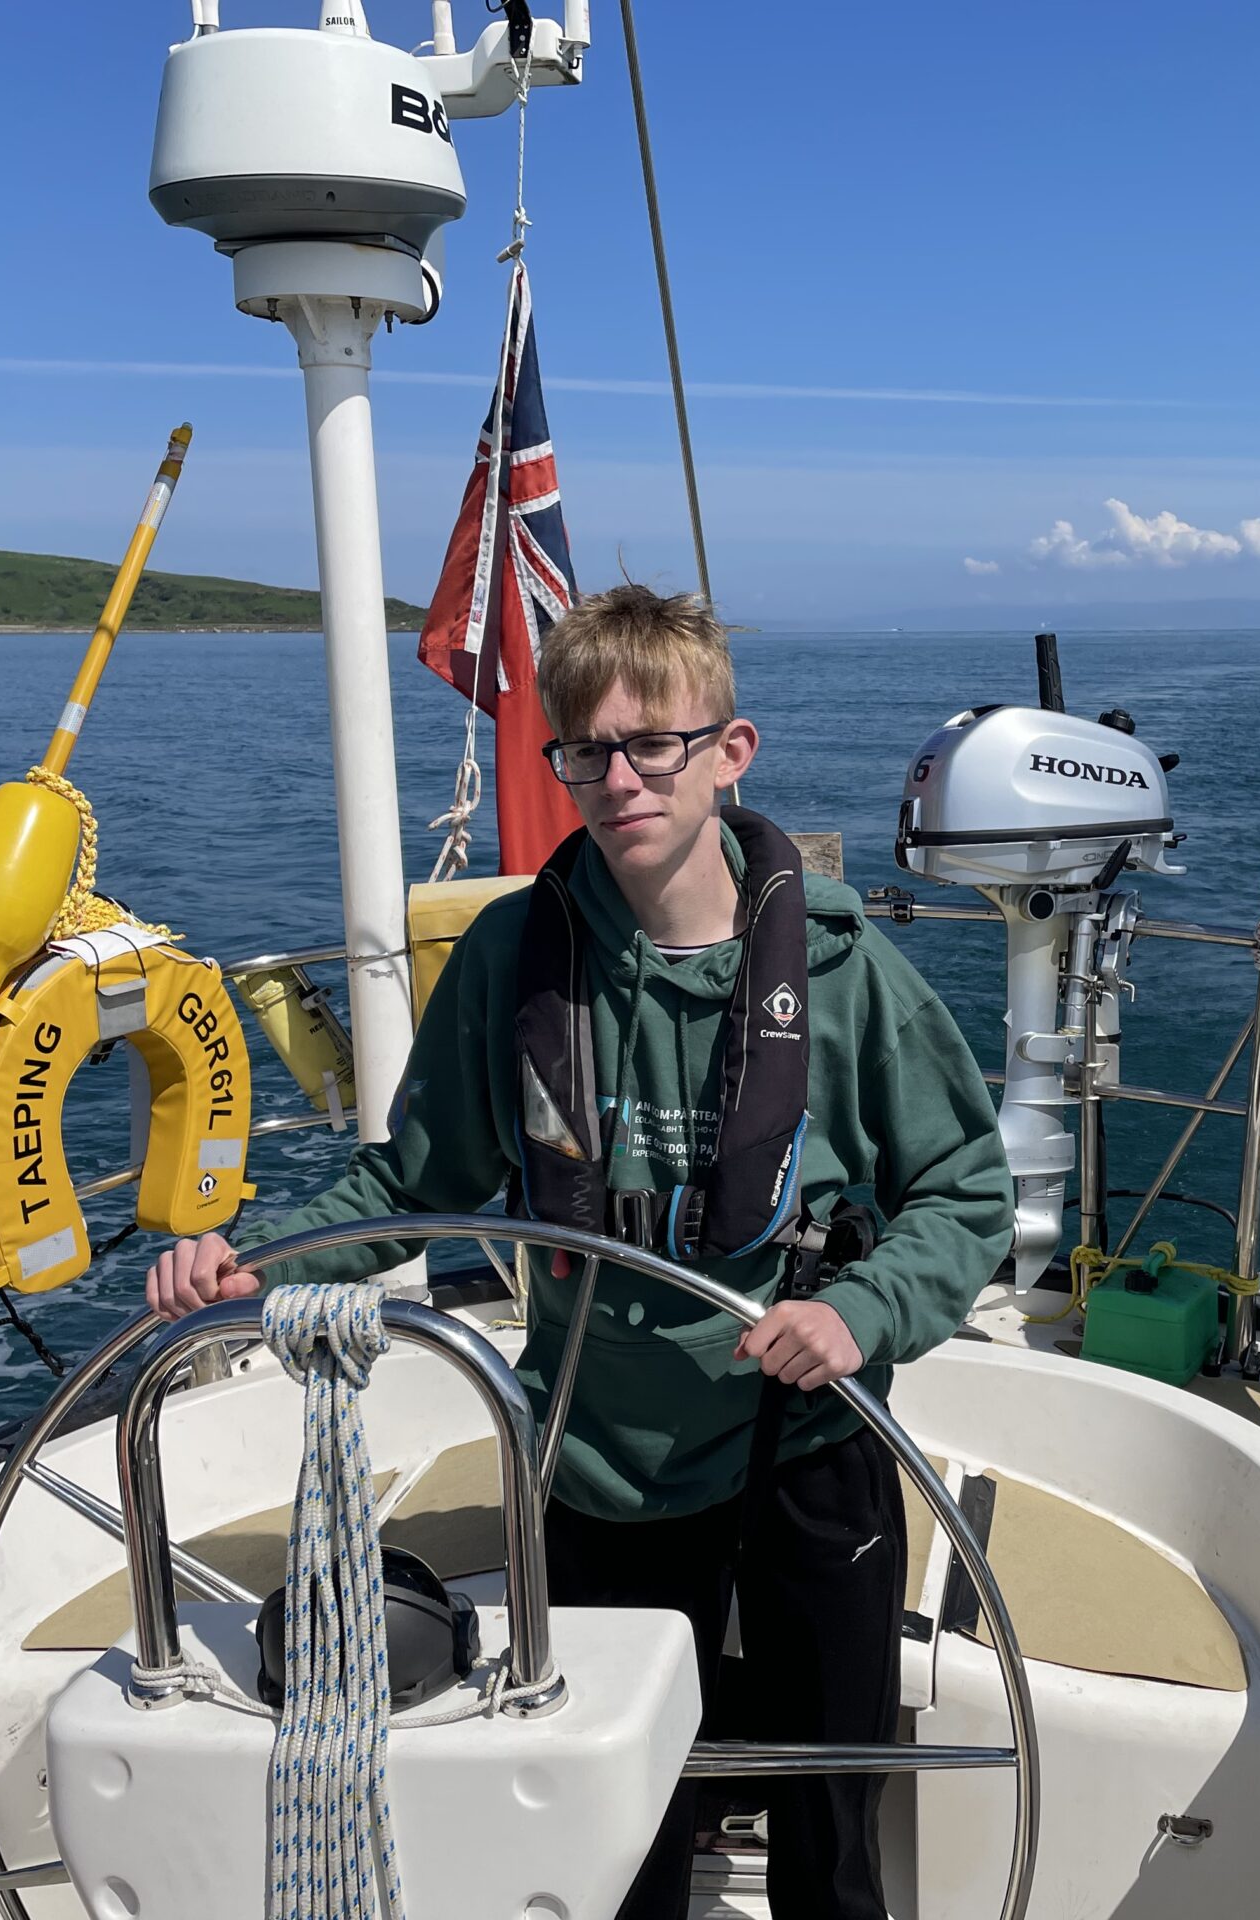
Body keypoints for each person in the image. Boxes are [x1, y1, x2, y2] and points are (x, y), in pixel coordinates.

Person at [145, 583, 1012, 1919]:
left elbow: (963, 1191)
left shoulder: (845, 975)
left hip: (809, 1449)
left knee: (829, 1823)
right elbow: (413, 1180)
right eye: (587, 752)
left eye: (654, 745)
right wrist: (257, 1262)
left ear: (729, 753)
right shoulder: (515, 961)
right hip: (594, 1464)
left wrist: (862, 1310)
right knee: (620, 1834)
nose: (620, 781)